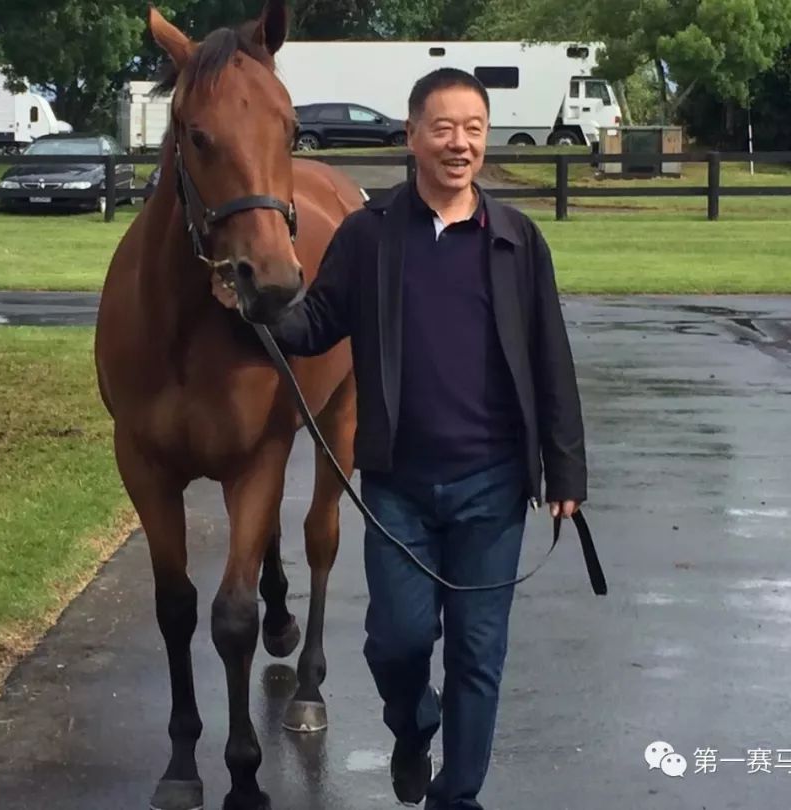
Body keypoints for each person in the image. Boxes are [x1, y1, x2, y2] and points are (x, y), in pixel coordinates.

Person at [217, 67, 587, 809]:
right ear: (412, 135)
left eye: (474, 130)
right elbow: (318, 325)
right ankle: (414, 725)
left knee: (480, 654)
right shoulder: (370, 236)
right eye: (444, 128)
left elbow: (551, 355)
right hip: (397, 488)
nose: (461, 144)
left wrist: (566, 469)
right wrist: (259, 308)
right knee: (397, 643)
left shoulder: (517, 240)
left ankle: (458, 795)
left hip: (493, 485)